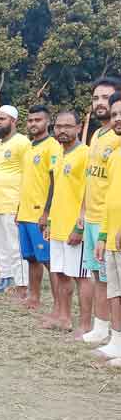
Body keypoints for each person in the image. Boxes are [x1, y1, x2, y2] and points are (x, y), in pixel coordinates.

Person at [81, 77, 121, 344]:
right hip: (93, 216)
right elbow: (90, 177)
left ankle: (113, 334)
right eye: (95, 98)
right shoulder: (96, 134)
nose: (100, 103)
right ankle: (100, 326)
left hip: (110, 218)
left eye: (105, 98)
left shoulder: (117, 140)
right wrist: (83, 211)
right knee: (97, 273)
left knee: (111, 279)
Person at [44, 111, 92, 332]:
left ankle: (84, 325)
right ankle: (63, 318)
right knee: (62, 273)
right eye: (58, 126)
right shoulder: (60, 154)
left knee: (81, 277)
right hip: (58, 226)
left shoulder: (85, 154)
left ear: (79, 127)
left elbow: (88, 193)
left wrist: (79, 226)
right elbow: (58, 191)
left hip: (75, 227)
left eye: (67, 126)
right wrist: (51, 221)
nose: (62, 130)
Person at [16, 105, 61, 315]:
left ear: (47, 122)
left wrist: (46, 212)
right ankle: (33, 297)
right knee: (31, 258)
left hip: (39, 214)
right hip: (25, 213)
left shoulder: (52, 146)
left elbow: (54, 182)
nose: (33, 124)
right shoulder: (29, 148)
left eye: (38, 120)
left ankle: (59, 305)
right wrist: (19, 209)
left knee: (49, 261)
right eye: (30, 120)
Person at [0, 105, 30, 295]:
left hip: (13, 203)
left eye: (2, 119)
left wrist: (23, 204)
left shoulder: (22, 142)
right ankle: (6, 277)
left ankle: (21, 283)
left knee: (16, 246)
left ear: (13, 121)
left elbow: (29, 174)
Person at [96, 93, 121, 363]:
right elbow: (109, 199)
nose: (117, 119)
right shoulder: (114, 155)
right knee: (115, 291)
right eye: (114, 114)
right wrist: (103, 235)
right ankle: (116, 341)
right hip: (112, 237)